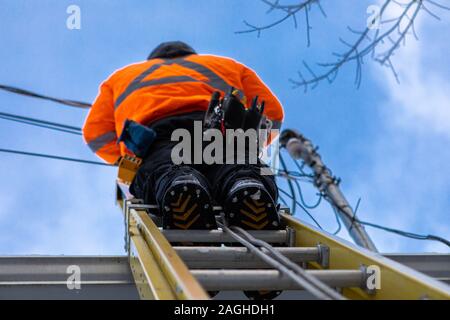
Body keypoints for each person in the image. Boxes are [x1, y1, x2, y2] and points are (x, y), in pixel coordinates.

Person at [82, 41, 284, 232]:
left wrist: (127, 158)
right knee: (236, 165)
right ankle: (246, 185)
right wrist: (249, 145)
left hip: (159, 137)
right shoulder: (227, 65)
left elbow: (96, 134)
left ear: (153, 59)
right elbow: (272, 113)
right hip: (220, 131)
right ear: (190, 53)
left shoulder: (122, 77)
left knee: (165, 168)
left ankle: (182, 185)